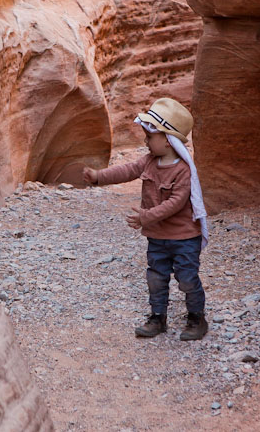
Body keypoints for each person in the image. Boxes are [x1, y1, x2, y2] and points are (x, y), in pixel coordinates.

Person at [83, 98, 210, 340]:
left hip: (184, 238)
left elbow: (176, 203)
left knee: (187, 278)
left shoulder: (183, 170)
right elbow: (128, 170)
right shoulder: (149, 162)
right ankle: (157, 318)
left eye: (150, 136)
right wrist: (99, 176)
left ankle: (196, 318)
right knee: (156, 276)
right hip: (158, 237)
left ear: (167, 139)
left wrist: (145, 217)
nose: (146, 141)